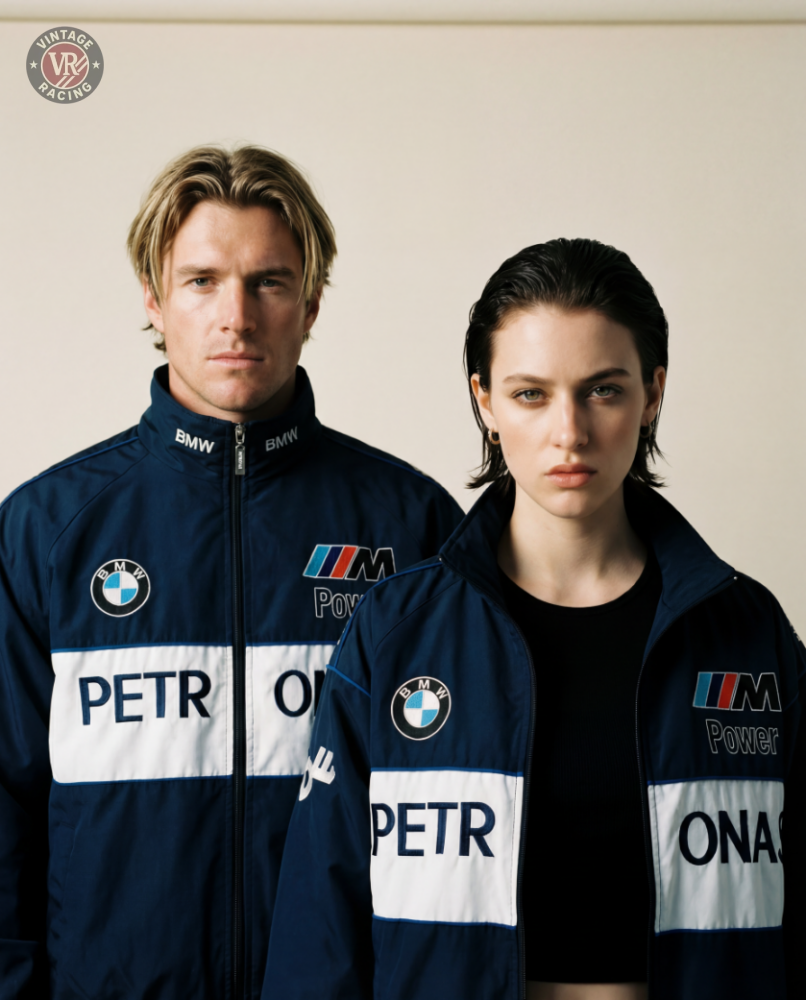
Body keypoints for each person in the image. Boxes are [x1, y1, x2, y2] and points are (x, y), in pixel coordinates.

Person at [264, 238, 806, 1000]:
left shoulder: (747, 632)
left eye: (604, 390)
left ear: (653, 393)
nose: (569, 433)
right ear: (484, 401)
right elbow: (320, 927)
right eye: (530, 394)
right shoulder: (394, 633)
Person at [0, 144, 463, 999]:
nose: (237, 317)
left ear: (312, 304)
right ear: (154, 298)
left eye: (270, 283)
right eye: (203, 280)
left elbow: (460, 808)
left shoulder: (414, 526)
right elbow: (6, 805)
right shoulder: (46, 531)